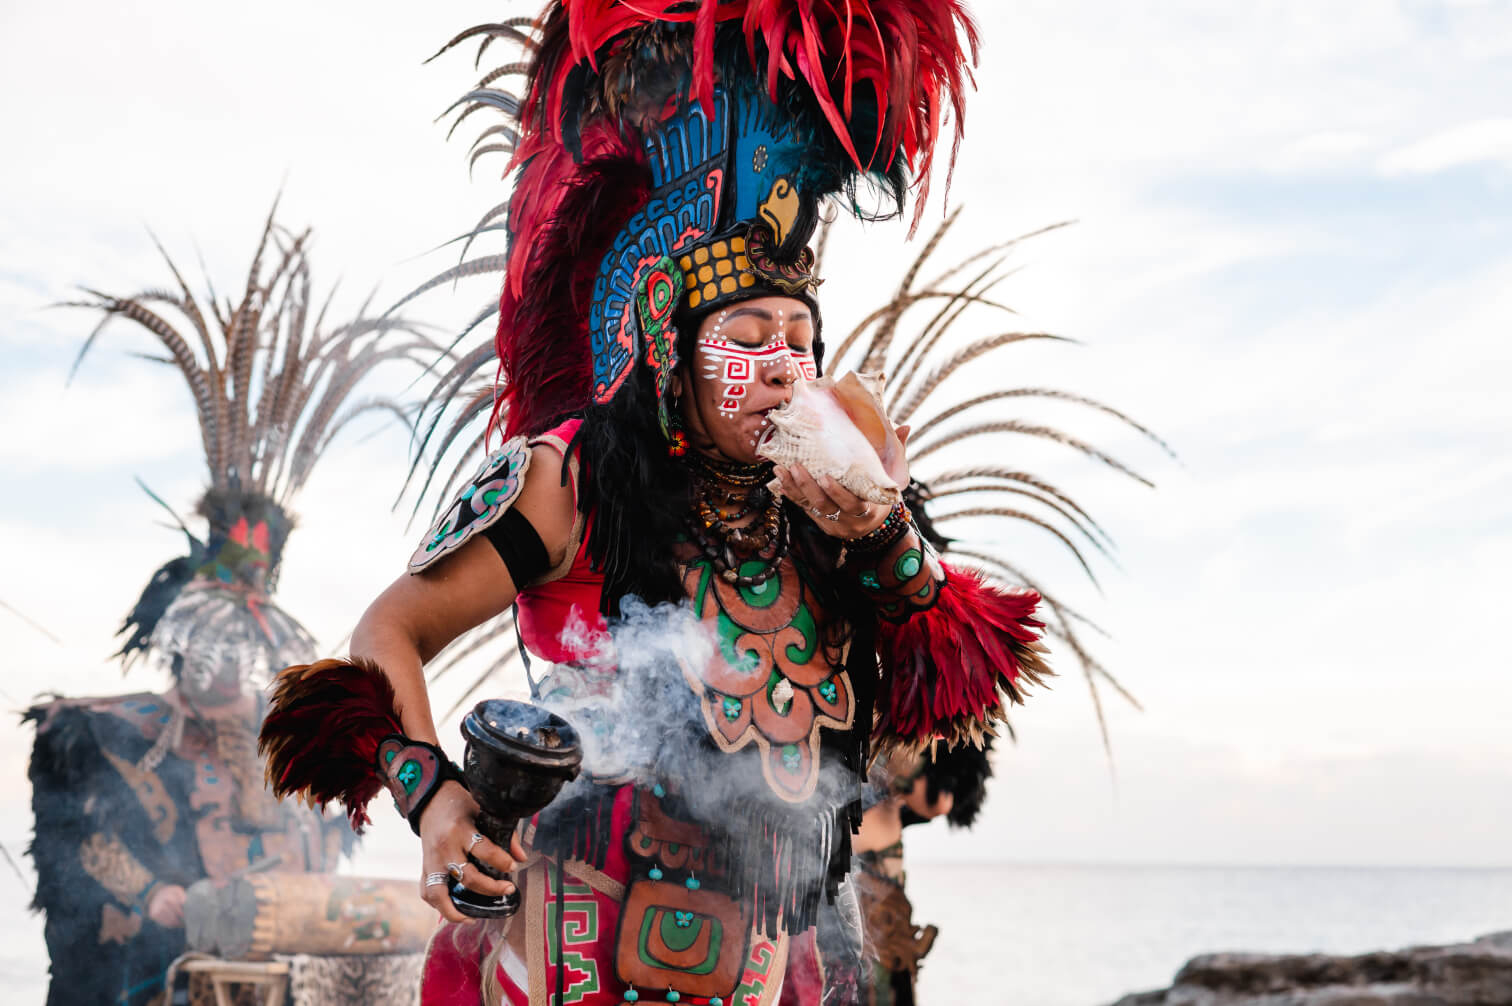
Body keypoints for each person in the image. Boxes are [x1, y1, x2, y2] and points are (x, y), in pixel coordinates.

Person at [261, 4, 1049, 1004]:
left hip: (766, 964)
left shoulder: (826, 504)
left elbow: (959, 691)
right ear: (671, 352)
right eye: (748, 335)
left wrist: (884, 529)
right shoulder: (571, 478)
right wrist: (436, 805)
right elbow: (389, 629)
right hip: (569, 952)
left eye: (801, 338)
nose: (783, 367)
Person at [27, 212, 425, 1006]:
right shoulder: (112, 738)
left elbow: (325, 870)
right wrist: (152, 895)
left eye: (240, 645)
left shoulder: (288, 739)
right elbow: (86, 844)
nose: (225, 666)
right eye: (212, 644)